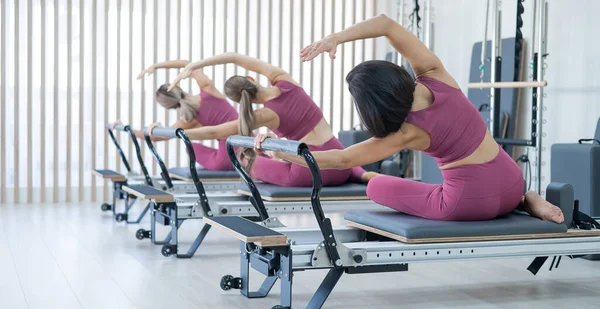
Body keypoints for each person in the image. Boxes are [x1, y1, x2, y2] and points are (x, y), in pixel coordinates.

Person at [255, 14, 563, 223]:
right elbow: (386, 25)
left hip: (469, 202)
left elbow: (339, 160)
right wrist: (336, 38)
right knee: (423, 184)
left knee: (376, 187)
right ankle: (526, 199)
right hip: (511, 181)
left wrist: (278, 150)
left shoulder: (404, 132)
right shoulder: (435, 75)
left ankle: (524, 201)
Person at [160, 52, 374, 187]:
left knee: (245, 160)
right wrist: (196, 64)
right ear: (251, 79)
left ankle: (360, 174)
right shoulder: (283, 80)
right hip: (339, 162)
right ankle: (362, 175)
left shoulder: (262, 116)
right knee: (274, 149)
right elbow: (235, 57)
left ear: (242, 101)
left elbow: (215, 132)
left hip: (307, 172)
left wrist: (175, 133)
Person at [114, 59, 238, 171]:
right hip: (248, 146)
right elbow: (187, 63)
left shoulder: (189, 119)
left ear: (169, 107)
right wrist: (156, 65)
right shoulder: (208, 88)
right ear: (177, 86)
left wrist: (128, 128)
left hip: (229, 161)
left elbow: (155, 137)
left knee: (191, 148)